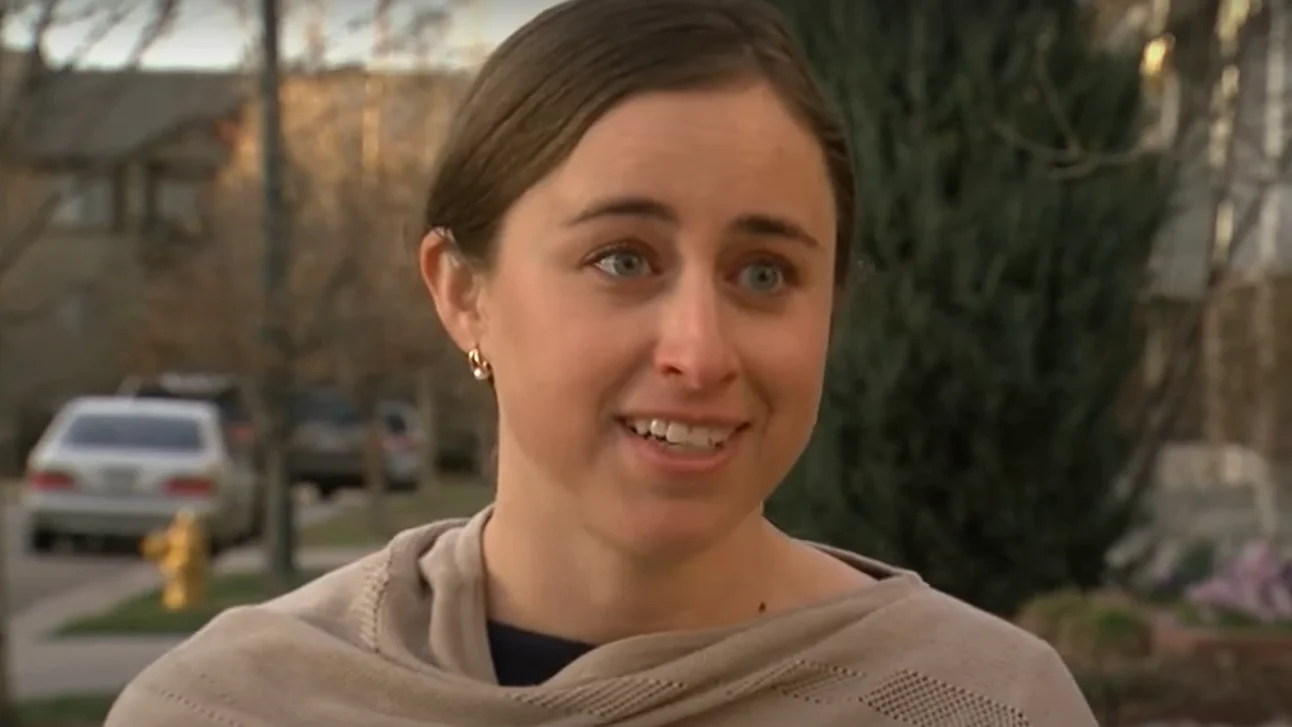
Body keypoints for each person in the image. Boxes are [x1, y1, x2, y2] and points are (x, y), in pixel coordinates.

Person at [106, 0, 1098, 724]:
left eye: (763, 273)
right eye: (622, 258)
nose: (699, 351)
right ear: (462, 291)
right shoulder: (234, 705)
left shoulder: (980, 705)